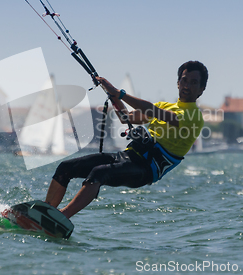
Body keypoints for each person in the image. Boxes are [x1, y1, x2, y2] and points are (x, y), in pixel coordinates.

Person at [44, 60, 208, 219]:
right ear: (178, 83)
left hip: (145, 170)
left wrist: (119, 93)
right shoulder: (165, 106)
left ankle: (62, 216)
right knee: (66, 167)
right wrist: (114, 97)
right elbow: (126, 117)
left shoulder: (194, 116)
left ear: (201, 89)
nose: (187, 86)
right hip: (126, 157)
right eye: (184, 80)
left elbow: (155, 112)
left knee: (99, 173)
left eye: (193, 83)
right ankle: (45, 212)